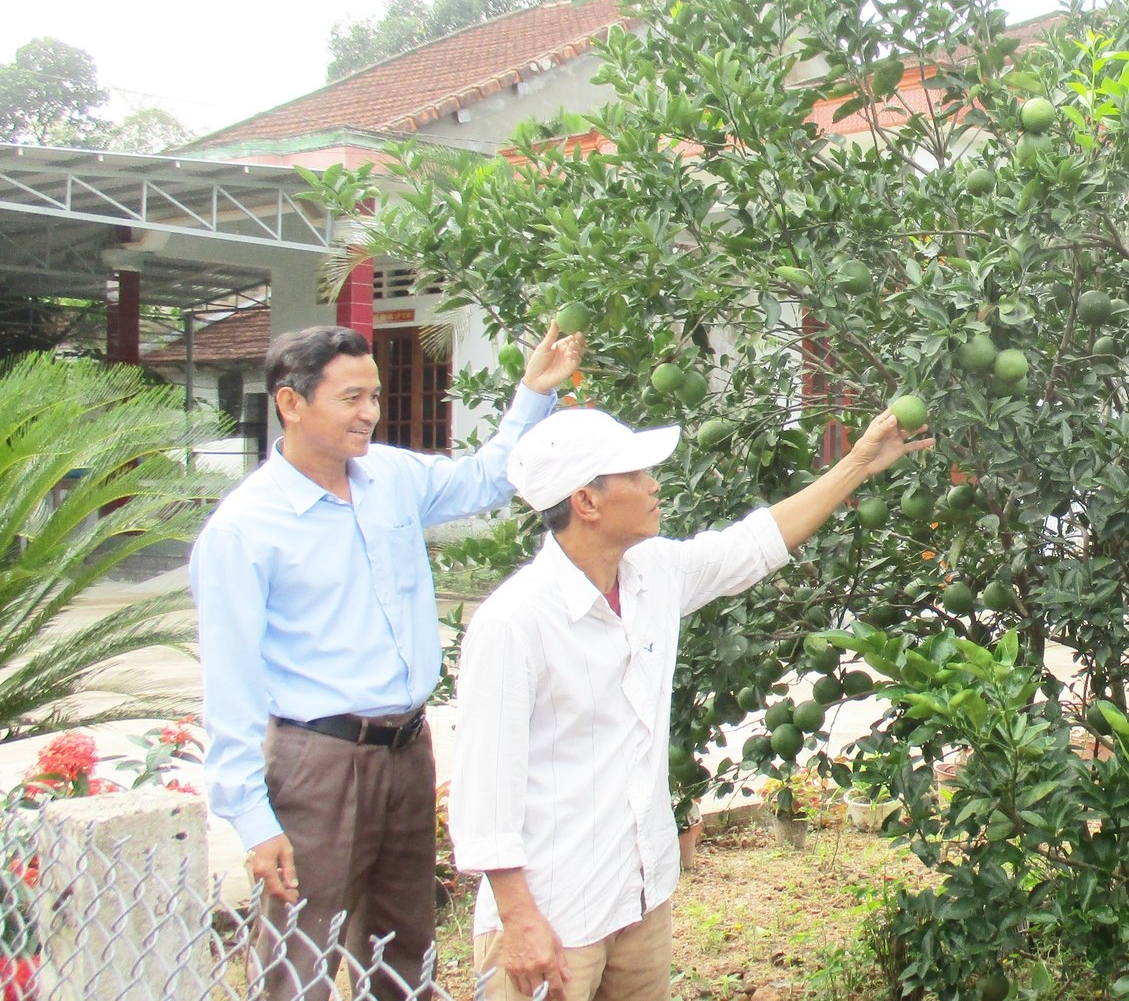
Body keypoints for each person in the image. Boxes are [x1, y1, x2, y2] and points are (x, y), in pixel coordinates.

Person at [449, 404, 934, 1001]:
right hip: (553, 913)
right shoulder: (514, 622)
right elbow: (484, 792)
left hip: (641, 895)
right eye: (635, 475)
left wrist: (860, 461)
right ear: (587, 501)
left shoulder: (652, 572)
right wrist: (520, 921)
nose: (655, 485)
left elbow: (756, 543)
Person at [192, 322, 583, 999]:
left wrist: (533, 391)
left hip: (406, 749)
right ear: (291, 403)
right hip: (317, 765)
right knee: (299, 961)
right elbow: (230, 687)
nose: (370, 412)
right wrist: (255, 823)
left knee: (404, 952)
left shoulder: (392, 479)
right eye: (351, 398)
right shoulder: (244, 529)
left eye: (373, 395)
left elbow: (489, 479)